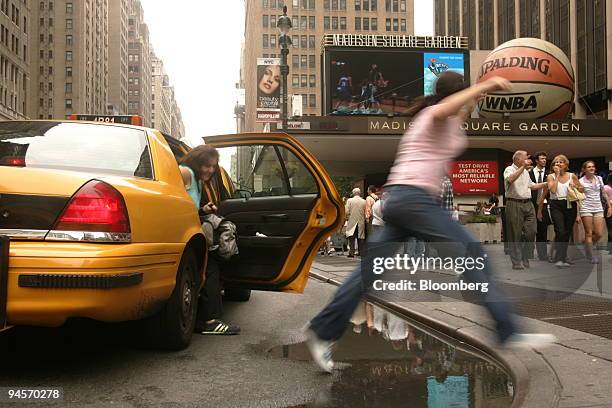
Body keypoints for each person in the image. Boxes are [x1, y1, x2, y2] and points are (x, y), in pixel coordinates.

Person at [304, 73, 555, 373]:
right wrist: (485, 85)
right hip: (413, 199)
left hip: (400, 200)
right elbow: (446, 108)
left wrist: (475, 96)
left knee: (369, 272)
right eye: (469, 95)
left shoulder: (448, 121)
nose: (475, 100)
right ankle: (507, 329)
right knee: (472, 252)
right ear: (456, 94)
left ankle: (322, 328)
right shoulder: (432, 115)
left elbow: (455, 110)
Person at [179, 145, 240, 335]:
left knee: (211, 266)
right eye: (206, 165)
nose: (210, 170)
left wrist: (203, 210)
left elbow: (189, 207)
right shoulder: (185, 172)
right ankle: (209, 320)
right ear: (197, 161)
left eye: (213, 167)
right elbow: (175, 203)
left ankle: (208, 318)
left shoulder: (198, 180)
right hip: (181, 233)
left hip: (191, 231)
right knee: (212, 265)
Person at [503, 151, 547, 270]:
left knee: (531, 232)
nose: (529, 159)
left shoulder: (526, 172)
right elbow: (510, 180)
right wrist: (523, 167)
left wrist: (546, 183)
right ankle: (516, 262)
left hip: (528, 204)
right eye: (526, 158)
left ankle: (525, 256)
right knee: (515, 234)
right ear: (518, 160)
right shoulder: (509, 169)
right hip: (514, 203)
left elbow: (532, 186)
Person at [546, 154, 584, 268]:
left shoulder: (572, 175)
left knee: (567, 232)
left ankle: (562, 257)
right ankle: (559, 258)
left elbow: (582, 189)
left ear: (566, 164)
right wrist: (557, 175)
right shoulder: (551, 176)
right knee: (560, 231)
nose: (558, 164)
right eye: (556, 162)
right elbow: (552, 190)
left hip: (569, 204)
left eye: (561, 162)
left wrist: (576, 187)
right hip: (556, 204)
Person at [579, 161, 611, 263]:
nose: (592, 168)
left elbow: (604, 194)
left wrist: (609, 207)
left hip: (598, 208)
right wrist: (577, 214)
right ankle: (591, 256)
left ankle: (586, 244)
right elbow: (578, 197)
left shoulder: (599, 179)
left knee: (599, 234)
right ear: (584, 170)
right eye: (589, 167)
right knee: (588, 233)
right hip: (586, 207)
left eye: (593, 166)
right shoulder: (581, 181)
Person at [529, 152, 549, 261]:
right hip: (532, 204)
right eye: (542, 159)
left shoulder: (549, 173)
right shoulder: (530, 172)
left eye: (545, 159)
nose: (544, 160)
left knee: (542, 230)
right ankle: (529, 253)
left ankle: (543, 254)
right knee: (530, 230)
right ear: (537, 160)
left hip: (545, 204)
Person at [345, 188, 366, 257]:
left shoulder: (349, 201)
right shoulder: (364, 201)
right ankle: (361, 252)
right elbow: (365, 212)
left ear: (353, 193)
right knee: (360, 238)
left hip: (352, 221)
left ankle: (351, 253)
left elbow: (346, 211)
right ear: (359, 193)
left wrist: (347, 217)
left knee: (351, 237)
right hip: (361, 221)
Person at [605, 174, 612, 254]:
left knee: (610, 228)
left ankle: (609, 247)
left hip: (608, 208)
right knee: (610, 228)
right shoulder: (606, 188)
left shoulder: (605, 187)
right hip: (609, 208)